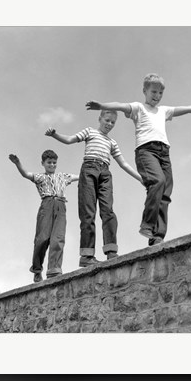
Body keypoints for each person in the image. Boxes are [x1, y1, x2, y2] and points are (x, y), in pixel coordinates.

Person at [86, 73, 191, 246]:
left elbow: (188, 108)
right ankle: (146, 224)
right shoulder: (138, 108)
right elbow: (120, 106)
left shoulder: (164, 111)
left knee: (166, 192)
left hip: (164, 152)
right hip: (146, 151)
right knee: (158, 181)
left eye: (160, 93)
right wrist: (101, 105)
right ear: (145, 91)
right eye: (153, 92)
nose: (157, 96)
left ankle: (157, 236)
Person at [45, 110, 143, 267]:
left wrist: (140, 178)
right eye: (107, 120)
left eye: (113, 122)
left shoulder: (112, 142)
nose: (109, 124)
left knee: (108, 211)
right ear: (100, 118)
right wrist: (54, 134)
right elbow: (70, 139)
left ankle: (111, 251)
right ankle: (86, 256)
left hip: (105, 173)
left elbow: (123, 163)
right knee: (88, 213)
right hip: (89, 170)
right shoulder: (89, 132)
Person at [9, 150, 79, 283]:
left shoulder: (63, 176)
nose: (52, 165)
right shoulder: (40, 177)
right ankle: (37, 269)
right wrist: (18, 163)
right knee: (42, 239)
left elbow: (79, 176)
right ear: (43, 163)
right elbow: (26, 174)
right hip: (46, 205)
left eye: (54, 163)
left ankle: (54, 270)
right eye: (49, 163)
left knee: (58, 238)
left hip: (60, 205)